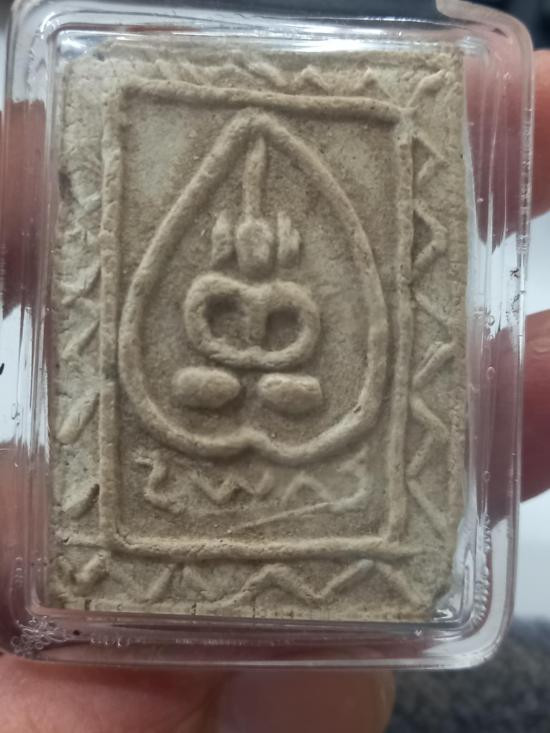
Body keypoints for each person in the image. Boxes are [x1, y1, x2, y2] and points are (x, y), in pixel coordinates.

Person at [0, 49, 548, 733]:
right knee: (202, 386)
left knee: (297, 393)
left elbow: (301, 335)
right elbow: (199, 330)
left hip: (298, 414)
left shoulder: (288, 291)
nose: (255, 257)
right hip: (210, 402)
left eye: (267, 249)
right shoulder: (213, 284)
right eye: (244, 248)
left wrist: (268, 360)